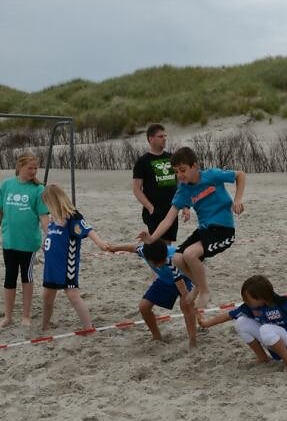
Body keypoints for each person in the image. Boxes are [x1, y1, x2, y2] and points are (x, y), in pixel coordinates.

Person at [138, 146, 246, 311]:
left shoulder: (211, 175)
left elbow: (240, 175)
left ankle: (203, 291)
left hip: (224, 230)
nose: (180, 175)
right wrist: (152, 239)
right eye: (176, 172)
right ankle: (198, 285)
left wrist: (237, 200)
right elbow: (168, 219)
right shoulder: (183, 190)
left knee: (190, 254)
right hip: (205, 230)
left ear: (195, 166)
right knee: (177, 258)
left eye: (183, 170)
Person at [40, 184, 111, 332]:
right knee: (47, 297)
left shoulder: (73, 217)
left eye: (47, 203)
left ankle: (88, 327)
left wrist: (100, 243)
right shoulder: (53, 219)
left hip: (67, 265)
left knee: (73, 296)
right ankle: (45, 326)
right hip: (51, 267)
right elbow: (51, 235)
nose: (46, 207)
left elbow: (88, 229)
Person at [0, 152, 49, 328]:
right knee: (9, 277)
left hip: (29, 243)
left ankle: (26, 315)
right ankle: (8, 317)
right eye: (29, 168)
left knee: (27, 277)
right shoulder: (7, 185)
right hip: (9, 240)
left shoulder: (39, 190)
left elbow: (44, 216)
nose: (33, 171)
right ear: (20, 167)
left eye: (35, 168)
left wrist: (49, 237)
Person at [104, 239, 199, 348]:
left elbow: (180, 282)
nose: (159, 265)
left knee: (186, 305)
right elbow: (132, 247)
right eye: (156, 263)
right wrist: (114, 248)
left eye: (161, 261)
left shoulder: (171, 259)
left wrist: (187, 297)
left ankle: (193, 339)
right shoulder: (144, 251)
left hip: (184, 277)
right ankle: (157, 336)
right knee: (144, 307)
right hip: (164, 280)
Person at [132, 124, 181, 243]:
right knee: (157, 242)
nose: (164, 138)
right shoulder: (143, 162)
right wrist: (150, 207)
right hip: (155, 210)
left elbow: (180, 182)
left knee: (168, 242)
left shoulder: (172, 157)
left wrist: (183, 205)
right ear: (151, 139)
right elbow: (136, 189)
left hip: (171, 208)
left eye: (165, 136)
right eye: (160, 136)